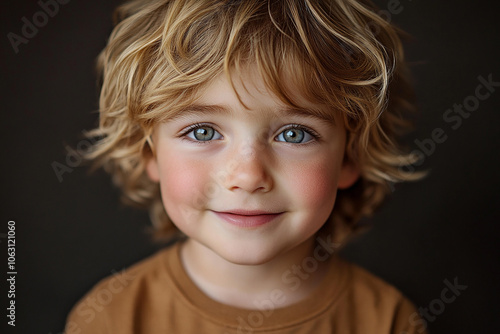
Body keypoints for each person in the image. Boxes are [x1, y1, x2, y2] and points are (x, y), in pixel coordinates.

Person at [65, 0, 427, 333]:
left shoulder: (389, 322)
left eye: (295, 134)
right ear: (149, 153)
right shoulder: (109, 318)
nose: (249, 176)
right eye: (202, 131)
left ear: (350, 157)